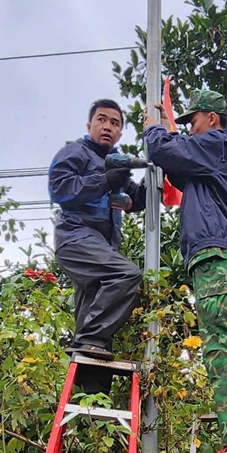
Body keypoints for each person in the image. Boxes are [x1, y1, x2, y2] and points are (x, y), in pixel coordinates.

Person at [143, 88, 227, 453]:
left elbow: (166, 152)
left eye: (192, 121)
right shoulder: (213, 154)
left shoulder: (216, 143)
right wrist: (166, 132)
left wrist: (153, 131)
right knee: (221, 341)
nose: (189, 128)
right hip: (219, 256)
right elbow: (177, 166)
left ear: (212, 118)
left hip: (217, 254)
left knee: (222, 343)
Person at [50, 98, 147, 374]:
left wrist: (151, 181)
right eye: (102, 120)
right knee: (126, 275)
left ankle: (91, 405)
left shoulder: (114, 164)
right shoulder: (75, 152)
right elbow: (60, 189)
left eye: (114, 123)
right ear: (89, 124)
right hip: (76, 238)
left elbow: (134, 200)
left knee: (91, 343)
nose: (107, 127)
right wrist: (105, 181)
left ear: (120, 133)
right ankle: (89, 339)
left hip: (101, 247)